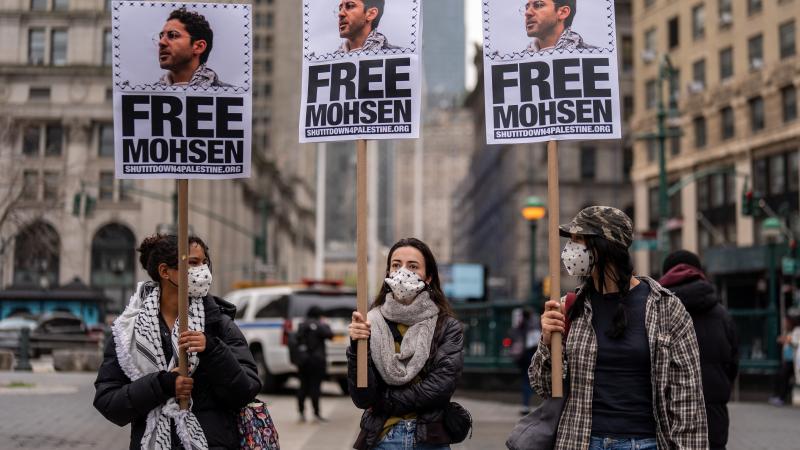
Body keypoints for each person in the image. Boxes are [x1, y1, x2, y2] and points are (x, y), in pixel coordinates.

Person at [531, 206, 708, 450]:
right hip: (581, 442)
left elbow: (688, 402)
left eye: (578, 240)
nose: (569, 250)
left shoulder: (666, 308)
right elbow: (544, 386)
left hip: (645, 444)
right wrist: (547, 341)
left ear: (606, 247)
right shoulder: (568, 308)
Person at [94, 234, 261, 449]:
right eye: (192, 263)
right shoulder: (129, 332)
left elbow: (245, 391)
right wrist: (161, 385)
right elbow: (108, 402)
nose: (203, 271)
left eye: (204, 262)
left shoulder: (219, 324)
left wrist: (212, 350)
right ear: (165, 272)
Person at [347, 238, 464, 450]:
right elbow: (362, 397)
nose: (403, 272)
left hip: (429, 440)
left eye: (413, 266)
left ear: (428, 277)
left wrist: (384, 402)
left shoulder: (447, 326)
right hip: (382, 439)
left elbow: (440, 388)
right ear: (388, 273)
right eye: (396, 265)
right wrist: (356, 347)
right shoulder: (370, 323)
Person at [659, 249, 738, 450]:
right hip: (714, 413)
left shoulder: (657, 311)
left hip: (668, 413)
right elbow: (733, 365)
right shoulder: (722, 316)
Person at [154, 8, 231, 87]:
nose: (161, 42)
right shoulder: (148, 95)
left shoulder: (230, 95)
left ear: (199, 47)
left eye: (172, 35)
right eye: (161, 36)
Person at [296, 305, 333, 423]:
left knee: (302, 386)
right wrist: (324, 323)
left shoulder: (301, 325)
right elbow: (330, 335)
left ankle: (301, 413)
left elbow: (296, 339)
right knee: (315, 387)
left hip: (303, 360)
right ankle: (316, 413)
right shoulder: (320, 325)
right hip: (317, 361)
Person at [522, 0, 596, 52]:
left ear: (563, 12)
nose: (527, 13)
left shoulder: (594, 56)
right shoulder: (519, 61)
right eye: (527, 7)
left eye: (538, 5)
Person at [509, 308, 541, 415]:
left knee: (526, 380)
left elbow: (512, 334)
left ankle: (526, 405)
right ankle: (527, 404)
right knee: (528, 380)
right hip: (530, 354)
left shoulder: (521, 325)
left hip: (524, 355)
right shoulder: (536, 323)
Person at [770, 317, 799, 406]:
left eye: (786, 322)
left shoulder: (797, 330)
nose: (785, 324)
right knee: (781, 375)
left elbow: (793, 341)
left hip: (793, 360)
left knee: (783, 375)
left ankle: (782, 397)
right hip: (789, 359)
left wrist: (785, 340)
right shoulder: (788, 331)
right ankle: (779, 396)